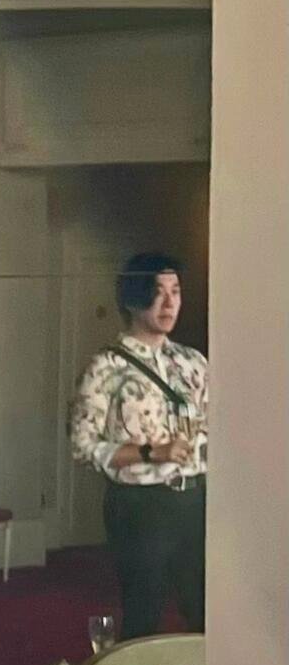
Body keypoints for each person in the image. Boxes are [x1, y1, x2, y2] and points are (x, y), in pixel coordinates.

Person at [69, 252, 207, 640]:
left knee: (205, 612)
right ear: (133, 298)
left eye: (175, 291)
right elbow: (82, 444)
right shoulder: (106, 367)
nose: (169, 303)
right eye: (157, 292)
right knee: (144, 613)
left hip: (195, 500)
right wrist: (150, 452)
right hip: (140, 505)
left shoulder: (193, 363)